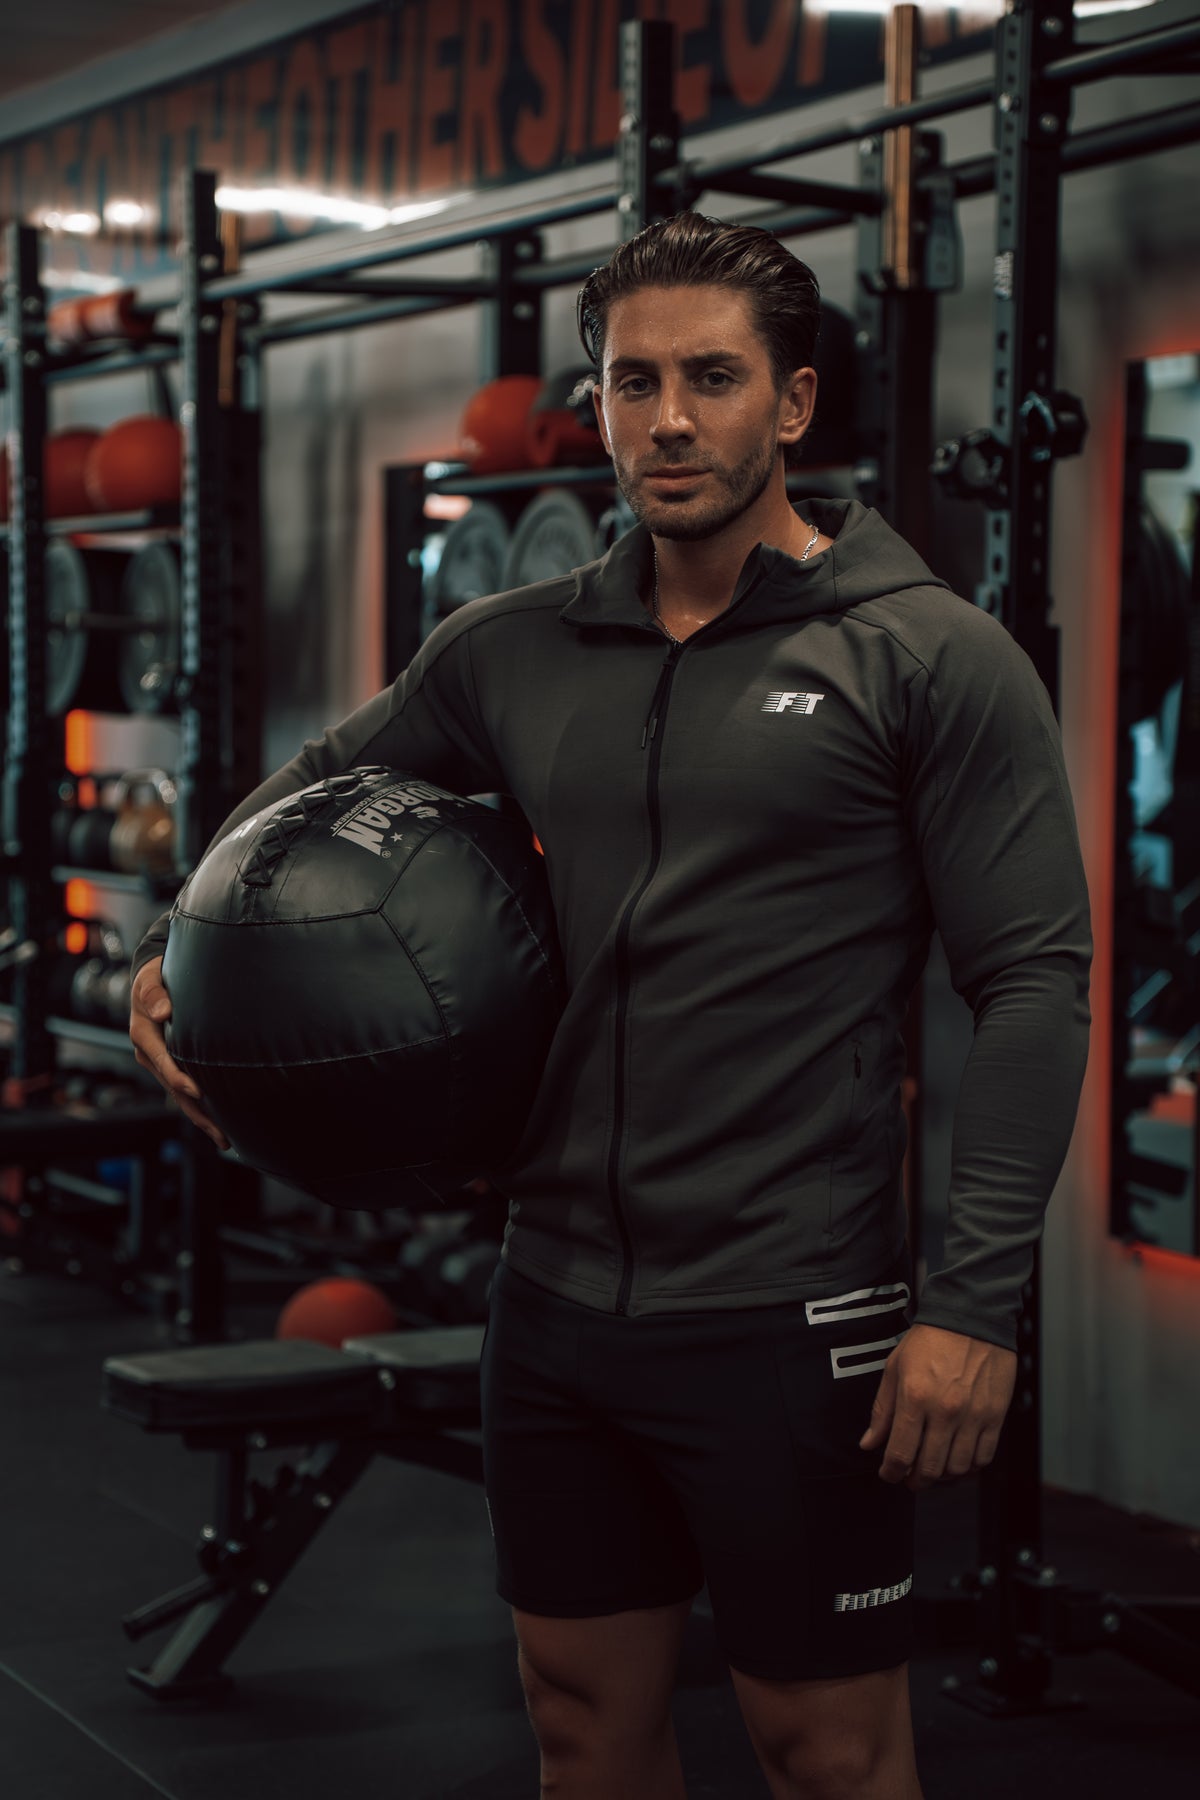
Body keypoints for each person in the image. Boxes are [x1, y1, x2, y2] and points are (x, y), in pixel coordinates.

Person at [129, 212, 1092, 1800]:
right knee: (578, 1724)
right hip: (559, 1306)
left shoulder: (924, 655)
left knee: (829, 1751)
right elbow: (304, 792)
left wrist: (971, 1309)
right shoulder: (511, 649)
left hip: (797, 1309)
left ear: (790, 404)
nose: (667, 419)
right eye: (632, 382)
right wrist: (171, 944)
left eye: (712, 378)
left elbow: (1034, 982)